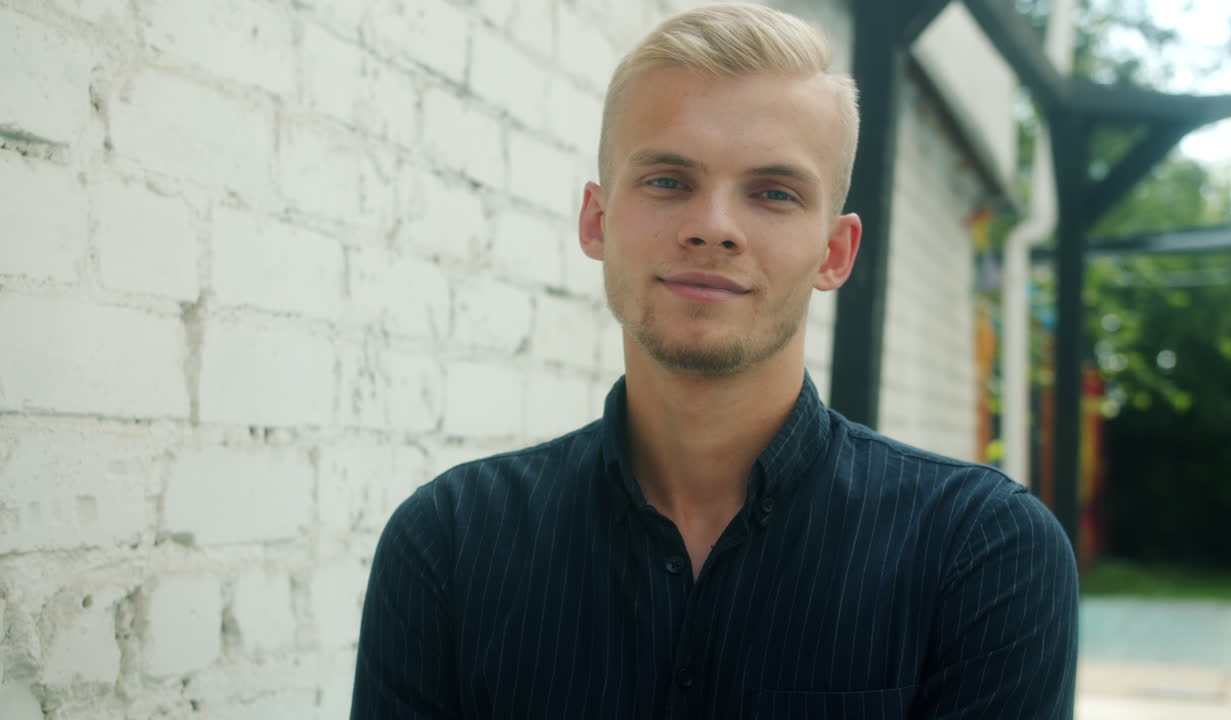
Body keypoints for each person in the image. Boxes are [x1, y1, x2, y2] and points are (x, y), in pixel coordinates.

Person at [350, 4, 1078, 718]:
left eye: (773, 193)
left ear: (835, 252)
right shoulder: (451, 540)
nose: (713, 228)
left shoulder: (981, 554)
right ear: (597, 221)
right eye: (669, 181)